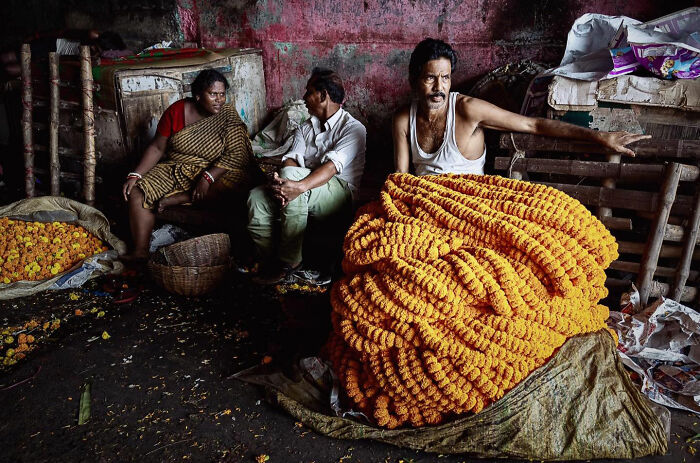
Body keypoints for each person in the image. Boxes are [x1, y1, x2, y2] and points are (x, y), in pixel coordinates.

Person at [392, 38, 651, 176]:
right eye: (430, 78)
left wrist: (599, 136)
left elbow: (533, 124)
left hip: (467, 205)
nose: (439, 87)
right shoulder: (404, 120)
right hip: (423, 208)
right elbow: (401, 180)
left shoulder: (467, 109)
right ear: (413, 80)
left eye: (446, 78)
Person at [122, 69, 263, 260]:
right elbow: (157, 147)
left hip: (216, 171)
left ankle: (185, 196)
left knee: (240, 186)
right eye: (212, 94)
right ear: (197, 95)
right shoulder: (177, 111)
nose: (219, 100)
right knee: (138, 190)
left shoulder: (227, 115)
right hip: (177, 167)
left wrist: (207, 177)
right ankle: (140, 251)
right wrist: (135, 175)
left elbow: (237, 154)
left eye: (222, 94)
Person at [247, 67, 366, 285]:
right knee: (256, 197)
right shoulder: (305, 126)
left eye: (308, 92)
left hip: (337, 190)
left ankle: (290, 263)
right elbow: (291, 158)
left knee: (293, 181)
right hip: (304, 184)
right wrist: (286, 182)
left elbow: (331, 169)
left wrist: (298, 186)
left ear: (323, 96)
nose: (303, 98)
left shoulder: (353, 129)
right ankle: (268, 259)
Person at [1, 30, 129, 80]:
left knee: (11, 70)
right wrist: (37, 35)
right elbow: (65, 32)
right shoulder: (92, 36)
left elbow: (66, 64)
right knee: (7, 57)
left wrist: (50, 63)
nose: (92, 49)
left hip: (50, 61)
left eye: (97, 50)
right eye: (94, 46)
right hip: (51, 44)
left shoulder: (95, 60)